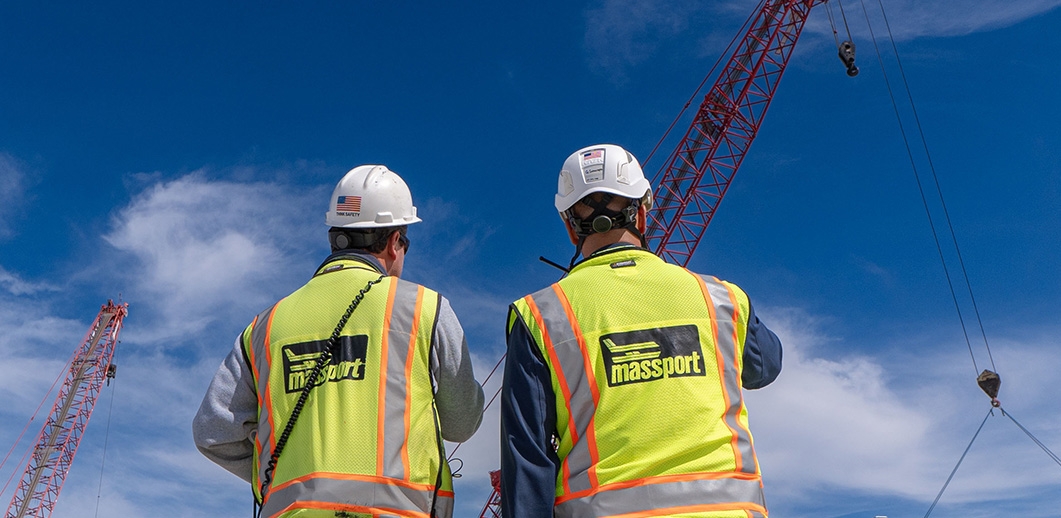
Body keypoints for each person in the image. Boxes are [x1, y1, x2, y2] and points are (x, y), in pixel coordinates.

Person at [500, 144, 782, 517]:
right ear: (644, 212)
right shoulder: (721, 299)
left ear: (570, 228)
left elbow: (528, 458)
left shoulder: (540, 315)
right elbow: (766, 367)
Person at [193, 165, 484, 518]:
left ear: (336, 237)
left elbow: (214, 431)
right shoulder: (425, 308)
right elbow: (462, 423)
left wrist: (279, 476)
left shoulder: (265, 327)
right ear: (394, 243)